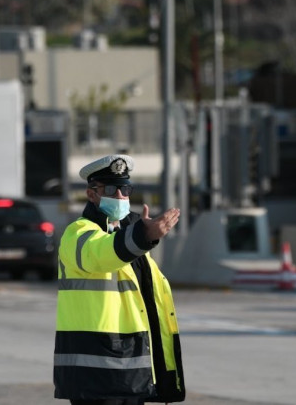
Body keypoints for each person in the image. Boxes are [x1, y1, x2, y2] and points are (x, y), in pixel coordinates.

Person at [54, 154, 186, 405]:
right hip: (96, 376)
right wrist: (142, 236)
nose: (120, 196)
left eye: (125, 189)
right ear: (92, 194)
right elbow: (102, 253)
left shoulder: (134, 240)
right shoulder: (78, 233)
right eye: (112, 189)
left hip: (129, 372)